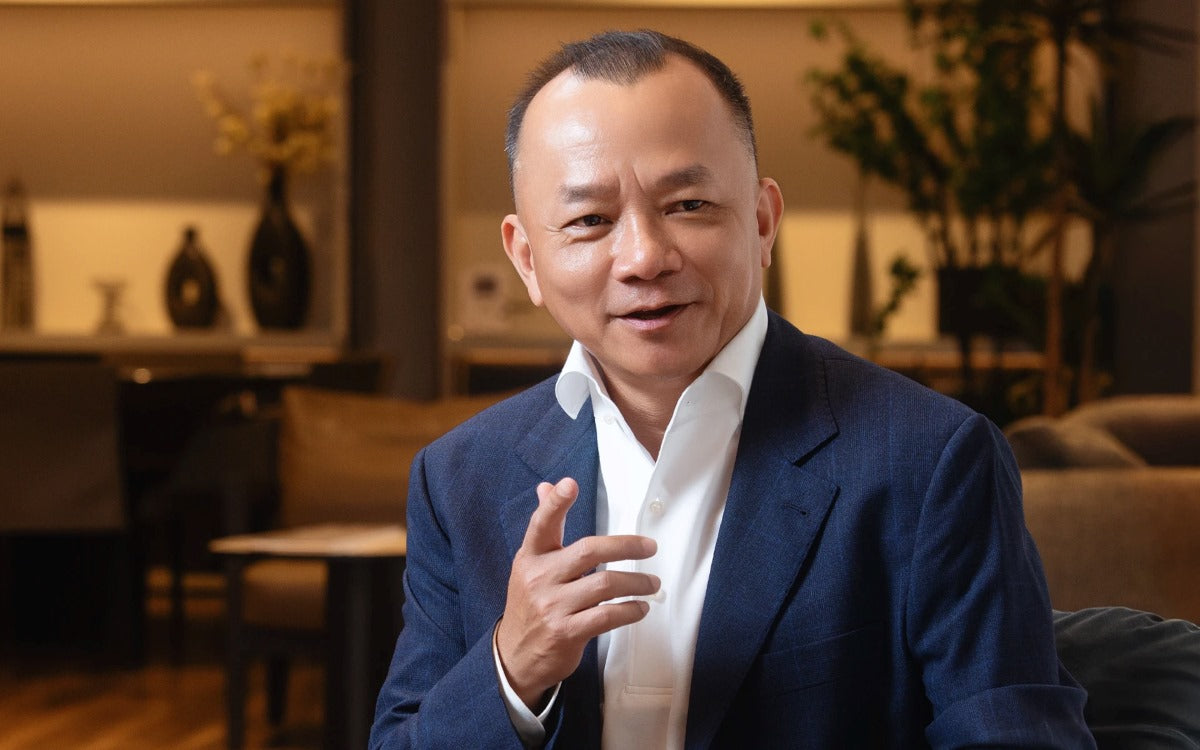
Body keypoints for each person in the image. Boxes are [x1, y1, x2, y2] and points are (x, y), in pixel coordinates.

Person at [370, 29, 1094, 749]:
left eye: (687, 205)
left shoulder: (929, 460)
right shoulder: (459, 478)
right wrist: (511, 670)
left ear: (762, 220)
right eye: (590, 220)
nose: (644, 257)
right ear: (527, 259)